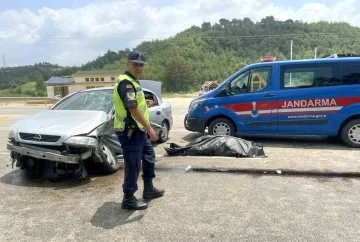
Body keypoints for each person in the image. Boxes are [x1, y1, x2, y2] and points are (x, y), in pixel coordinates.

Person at [113, 50, 165, 210]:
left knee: (149, 157)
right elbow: (133, 108)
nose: (138, 67)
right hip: (129, 131)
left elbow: (135, 106)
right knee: (133, 164)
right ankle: (128, 199)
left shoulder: (134, 82)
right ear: (127, 64)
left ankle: (148, 189)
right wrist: (150, 128)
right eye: (135, 64)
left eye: (141, 65)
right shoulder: (126, 83)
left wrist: (145, 105)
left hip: (138, 130)